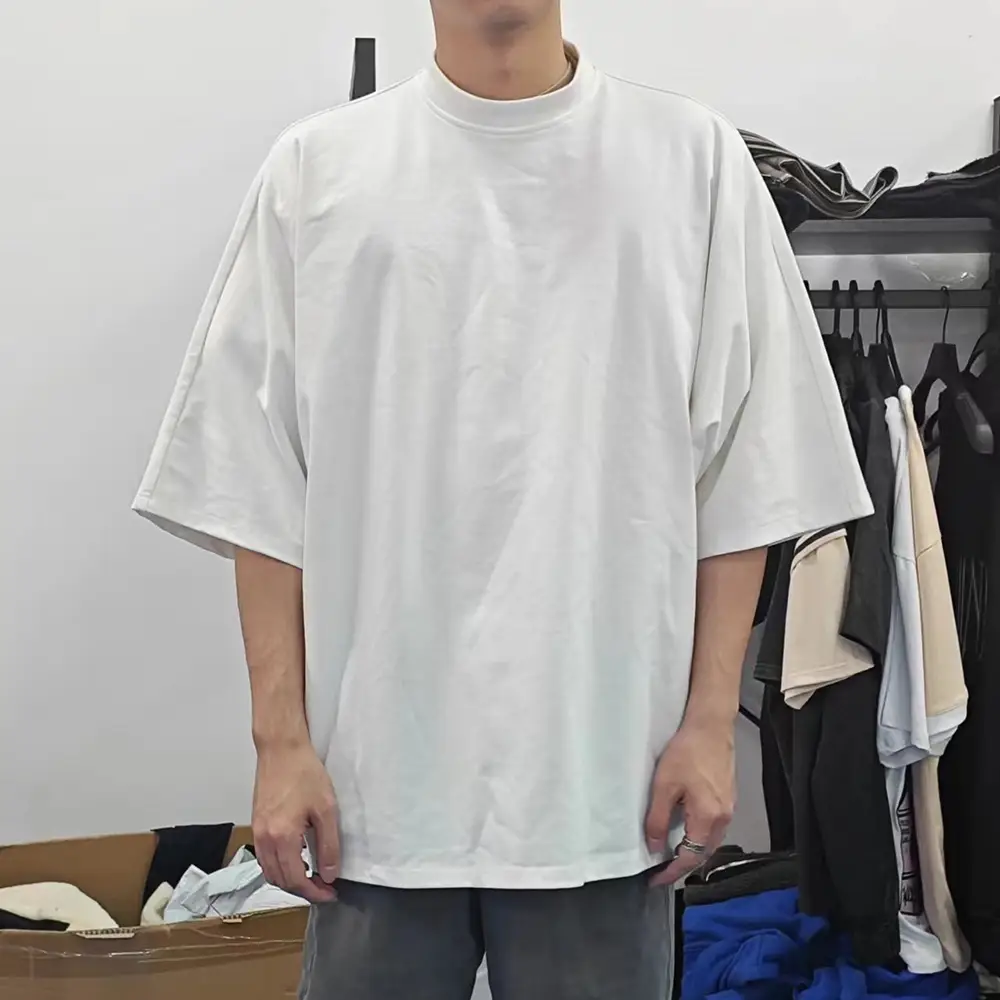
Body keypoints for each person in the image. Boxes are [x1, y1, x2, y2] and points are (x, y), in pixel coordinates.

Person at [133, 1, 873, 997]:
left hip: (608, 794)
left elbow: (747, 472)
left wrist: (709, 723)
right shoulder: (318, 172)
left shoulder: (690, 163)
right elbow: (255, 483)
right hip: (371, 801)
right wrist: (280, 742)